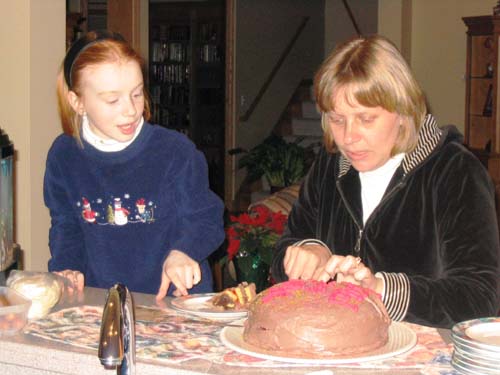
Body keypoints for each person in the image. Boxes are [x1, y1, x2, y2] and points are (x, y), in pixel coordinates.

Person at [271, 35, 500, 328]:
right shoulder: (330, 166)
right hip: (336, 346)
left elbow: (479, 298)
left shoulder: (456, 172)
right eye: (337, 120)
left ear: (404, 112)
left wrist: (380, 290)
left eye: (366, 119)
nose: (348, 137)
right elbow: (283, 252)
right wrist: (310, 251)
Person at [44, 30, 225, 300]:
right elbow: (66, 225)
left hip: (175, 301)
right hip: (102, 302)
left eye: (137, 94)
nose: (130, 109)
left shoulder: (175, 151)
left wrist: (184, 251)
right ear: (78, 102)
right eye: (112, 100)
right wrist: (67, 267)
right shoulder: (64, 156)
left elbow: (205, 218)